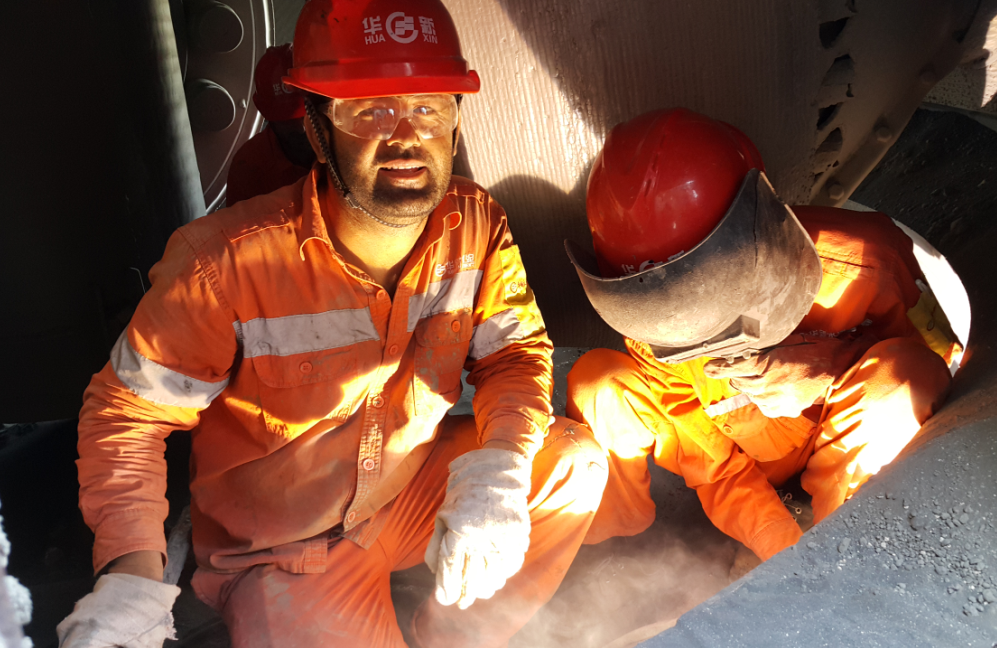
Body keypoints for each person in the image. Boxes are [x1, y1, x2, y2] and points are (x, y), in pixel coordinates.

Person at [57, 1, 607, 646]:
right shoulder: (223, 263)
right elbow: (128, 416)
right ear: (319, 133)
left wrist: (502, 469)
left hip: (404, 494)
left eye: (428, 108)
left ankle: (454, 636)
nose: (405, 136)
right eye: (369, 111)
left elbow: (512, 356)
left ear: (456, 123)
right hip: (285, 550)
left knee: (571, 462)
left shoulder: (476, 224)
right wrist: (130, 575)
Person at [565, 108, 957, 565]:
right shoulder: (652, 326)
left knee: (900, 379)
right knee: (598, 380)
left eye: (694, 290)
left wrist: (830, 368)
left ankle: (847, 545)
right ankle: (600, 541)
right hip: (757, 462)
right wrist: (784, 553)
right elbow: (716, 469)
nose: (687, 332)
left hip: (849, 453)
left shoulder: (868, 260)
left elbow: (937, 370)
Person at [225, 44, 316, 206]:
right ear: (266, 113)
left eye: (307, 115)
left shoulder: (348, 146)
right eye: (286, 120)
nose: (301, 128)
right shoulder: (249, 167)